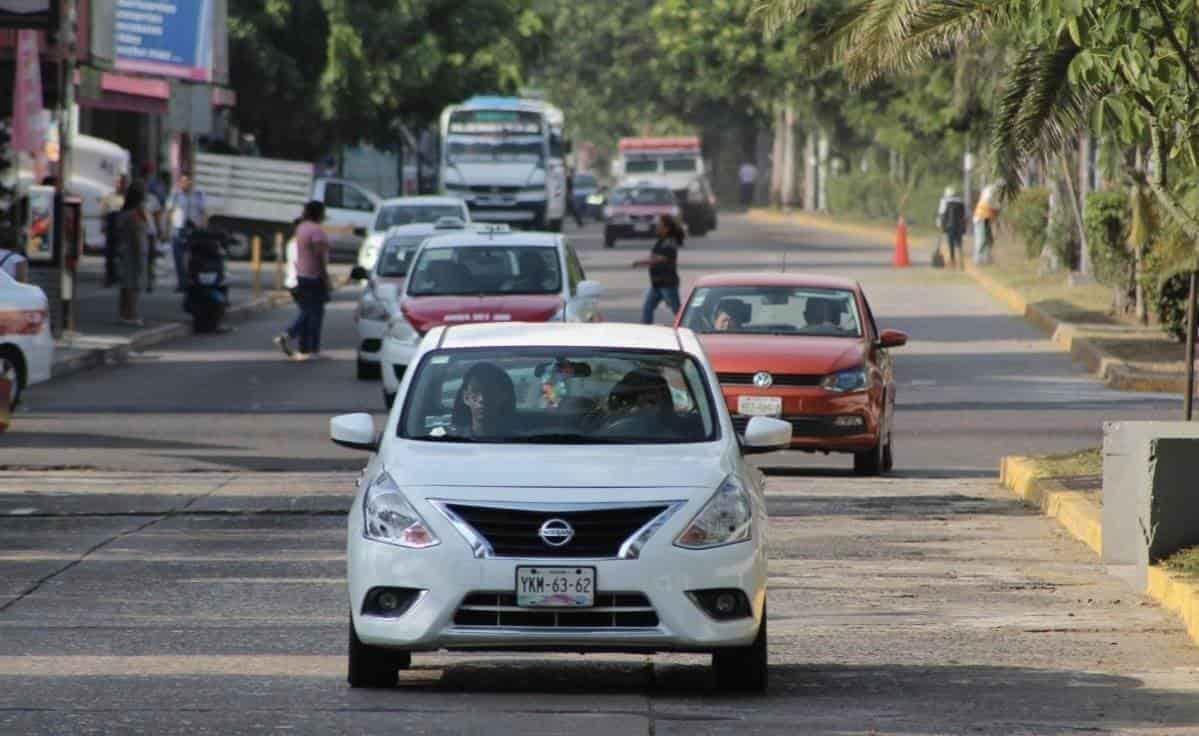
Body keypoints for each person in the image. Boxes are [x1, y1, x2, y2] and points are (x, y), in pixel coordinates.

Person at [274, 201, 330, 360]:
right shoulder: (316, 230)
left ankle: (305, 349)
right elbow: (319, 257)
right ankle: (291, 336)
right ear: (318, 213)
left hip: (302, 276)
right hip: (314, 276)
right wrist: (325, 277)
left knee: (308, 312)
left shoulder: (301, 228)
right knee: (314, 313)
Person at [633, 215, 684, 324]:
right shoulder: (662, 241)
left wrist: (641, 262)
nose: (657, 227)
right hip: (657, 283)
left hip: (667, 283)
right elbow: (654, 256)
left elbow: (661, 258)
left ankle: (687, 327)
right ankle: (646, 330)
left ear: (666, 228)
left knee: (678, 311)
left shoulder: (670, 242)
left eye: (660, 225)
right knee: (647, 308)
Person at [452, 362, 517, 439]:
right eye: (475, 391)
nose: (482, 399)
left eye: (490, 391)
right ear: (466, 397)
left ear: (503, 396)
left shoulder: (523, 443)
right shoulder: (446, 441)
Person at [166, 172, 207, 292]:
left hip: (193, 231)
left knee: (192, 258)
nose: (185, 184)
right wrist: (165, 229)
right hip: (178, 230)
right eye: (183, 181)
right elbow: (168, 212)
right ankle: (181, 283)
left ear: (191, 182)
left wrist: (203, 228)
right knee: (178, 259)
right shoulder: (175, 195)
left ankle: (191, 282)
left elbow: (204, 212)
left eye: (187, 181)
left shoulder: (198, 195)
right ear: (179, 183)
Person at [115, 180, 148, 326]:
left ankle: (123, 313)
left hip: (124, 250)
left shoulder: (125, 212)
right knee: (132, 283)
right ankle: (131, 314)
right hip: (133, 252)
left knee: (125, 283)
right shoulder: (134, 214)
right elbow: (136, 235)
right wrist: (140, 252)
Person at [100, 173, 128, 288]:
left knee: (123, 254)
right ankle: (109, 277)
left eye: (122, 182)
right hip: (111, 227)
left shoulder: (127, 198)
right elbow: (103, 213)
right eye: (118, 182)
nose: (119, 185)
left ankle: (122, 277)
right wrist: (103, 226)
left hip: (123, 229)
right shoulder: (109, 197)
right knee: (109, 255)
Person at [937, 186, 968, 268]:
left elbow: (942, 214)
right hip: (959, 226)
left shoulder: (944, 201)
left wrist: (940, 225)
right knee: (959, 243)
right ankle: (961, 261)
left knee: (950, 244)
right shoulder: (961, 201)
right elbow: (966, 215)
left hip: (949, 226)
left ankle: (952, 260)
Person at [973, 184, 1000, 266]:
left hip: (987, 219)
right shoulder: (989, 194)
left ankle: (986, 257)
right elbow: (992, 204)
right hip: (980, 219)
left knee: (989, 239)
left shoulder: (994, 196)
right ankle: (977, 259)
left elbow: (995, 211)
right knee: (981, 239)